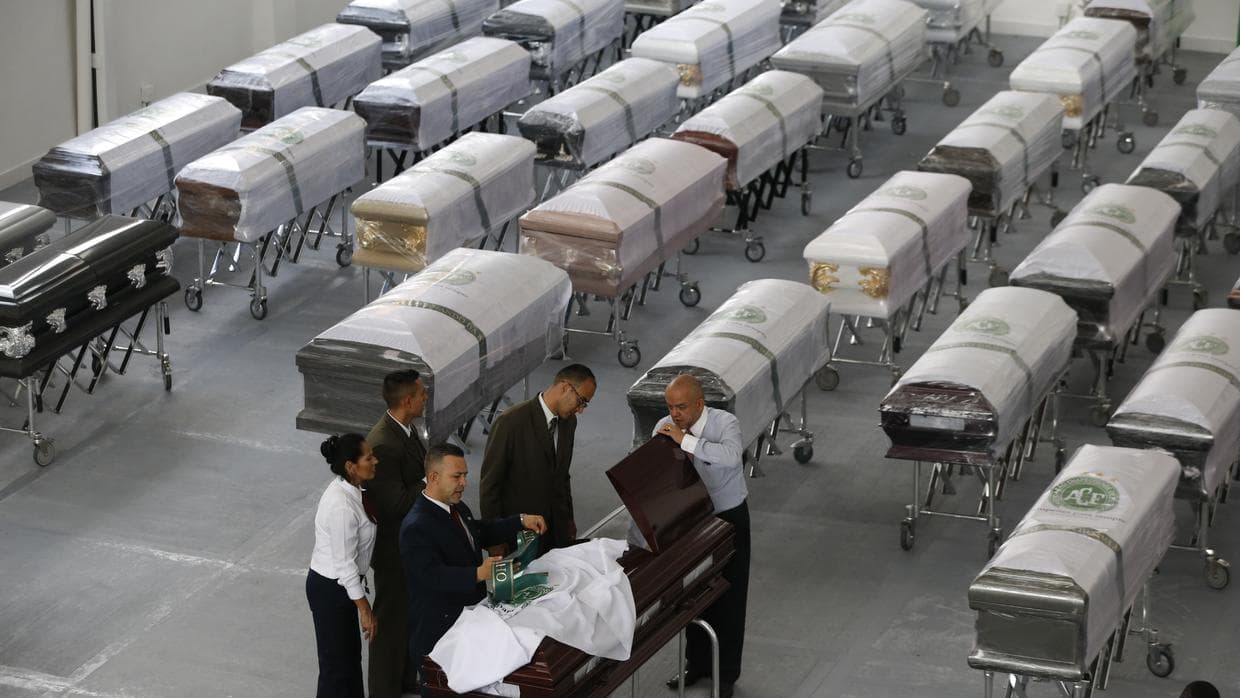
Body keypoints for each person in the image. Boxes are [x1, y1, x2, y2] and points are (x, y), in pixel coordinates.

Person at [400, 444, 547, 694]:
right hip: (439, 636)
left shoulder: (456, 508)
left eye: (465, 475)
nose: (464, 483)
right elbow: (432, 576)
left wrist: (520, 521)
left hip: (468, 624)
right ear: (434, 477)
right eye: (456, 476)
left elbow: (479, 532)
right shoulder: (416, 527)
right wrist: (478, 573)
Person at [654, 374, 749, 698]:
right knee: (692, 593)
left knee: (731, 594)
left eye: (681, 407)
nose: (674, 414)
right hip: (691, 520)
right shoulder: (665, 425)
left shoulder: (725, 423)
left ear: (699, 403)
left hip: (728, 517)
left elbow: (731, 456)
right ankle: (695, 664)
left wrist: (685, 441)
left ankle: (727, 674)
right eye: (670, 407)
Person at [479, 364, 596, 553]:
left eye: (585, 404)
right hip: (520, 535)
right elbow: (490, 486)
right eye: (581, 401)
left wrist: (568, 520)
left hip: (556, 533)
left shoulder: (569, 423)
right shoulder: (511, 423)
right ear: (565, 387)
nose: (580, 410)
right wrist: (494, 538)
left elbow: (562, 476)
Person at [365, 370, 428, 698]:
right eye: (422, 394)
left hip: (409, 545)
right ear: (407, 400)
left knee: (406, 617)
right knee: (390, 623)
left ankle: (403, 680)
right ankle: (383, 690)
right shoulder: (384, 444)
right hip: (393, 551)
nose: (426, 398)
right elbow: (397, 503)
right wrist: (430, 480)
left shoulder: (405, 430)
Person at [306, 433, 380, 698]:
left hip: (342, 588)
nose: (375, 461)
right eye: (368, 458)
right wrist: (365, 610)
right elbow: (345, 566)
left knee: (348, 662)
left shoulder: (352, 489)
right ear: (351, 466)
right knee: (336, 668)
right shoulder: (342, 507)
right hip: (332, 590)